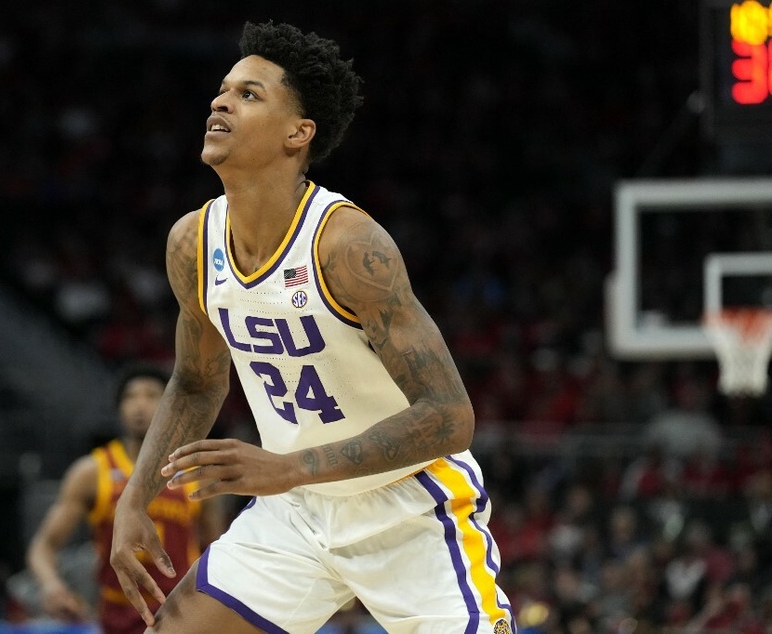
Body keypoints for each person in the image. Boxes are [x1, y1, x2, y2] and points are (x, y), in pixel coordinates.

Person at [110, 20, 515, 633]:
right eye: (224, 90)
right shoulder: (192, 243)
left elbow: (450, 415)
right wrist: (134, 499)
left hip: (407, 509)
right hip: (294, 512)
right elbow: (196, 383)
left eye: (250, 95)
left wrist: (289, 467)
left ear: (298, 134)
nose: (220, 101)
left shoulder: (348, 246)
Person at [27, 362, 227, 633]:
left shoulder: (197, 471)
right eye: (131, 397)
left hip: (180, 609)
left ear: (171, 406)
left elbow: (218, 550)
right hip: (117, 613)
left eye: (151, 395)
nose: (139, 406)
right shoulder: (92, 472)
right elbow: (44, 546)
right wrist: (52, 586)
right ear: (119, 409)